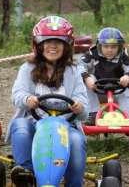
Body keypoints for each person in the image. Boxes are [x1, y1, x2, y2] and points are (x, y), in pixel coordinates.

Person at [5, 15, 88, 187]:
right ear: (38, 45)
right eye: (48, 41)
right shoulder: (28, 68)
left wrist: (79, 107)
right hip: (34, 124)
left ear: (67, 46)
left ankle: (74, 183)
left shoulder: (74, 71)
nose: (53, 46)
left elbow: (83, 105)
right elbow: (17, 94)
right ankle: (26, 176)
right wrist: (27, 99)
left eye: (59, 42)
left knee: (77, 140)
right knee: (19, 126)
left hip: (65, 127)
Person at [78, 27, 129, 125]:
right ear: (100, 45)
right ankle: (92, 115)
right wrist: (86, 77)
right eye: (106, 46)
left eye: (113, 47)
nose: (109, 50)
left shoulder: (122, 56)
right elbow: (79, 66)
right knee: (88, 81)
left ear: (119, 47)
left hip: (117, 91)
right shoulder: (93, 54)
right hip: (97, 91)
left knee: (126, 91)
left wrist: (128, 76)